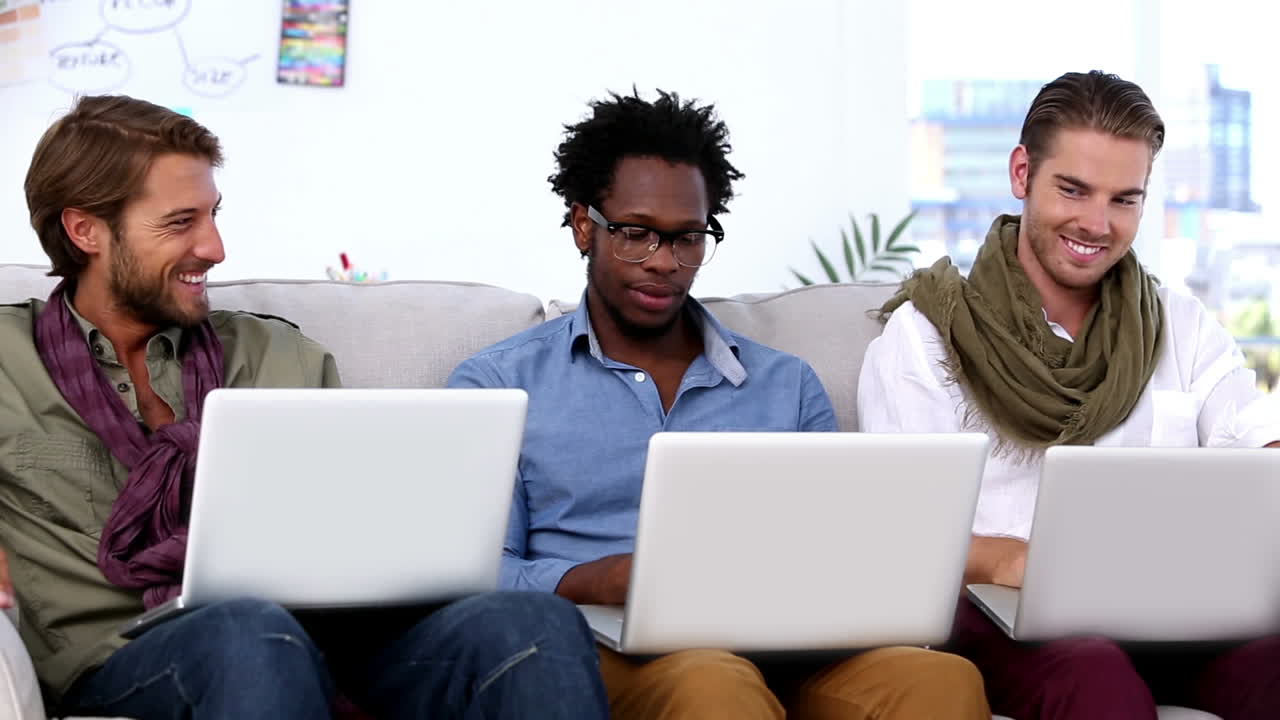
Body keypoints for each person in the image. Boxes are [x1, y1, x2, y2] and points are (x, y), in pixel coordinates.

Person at [0, 94, 608, 720]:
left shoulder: (279, 358)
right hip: (123, 658)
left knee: (534, 622)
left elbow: (354, 536)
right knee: (249, 634)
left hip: (326, 644)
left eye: (213, 215)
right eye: (180, 222)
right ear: (86, 231)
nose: (215, 247)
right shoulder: (6, 360)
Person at [448, 88, 990, 720]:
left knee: (939, 681)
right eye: (635, 234)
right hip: (604, 642)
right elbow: (473, 572)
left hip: (785, 643)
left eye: (687, 239)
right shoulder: (499, 384)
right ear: (583, 225)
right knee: (712, 683)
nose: (665, 262)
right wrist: (601, 578)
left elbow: (837, 552)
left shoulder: (787, 385)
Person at [858, 70, 1280, 720]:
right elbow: (899, 529)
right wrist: (1016, 560)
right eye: (1073, 190)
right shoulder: (926, 338)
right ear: (1022, 173)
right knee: (1094, 676)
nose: (1097, 223)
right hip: (1006, 620)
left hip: (1170, 611)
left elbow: (1259, 448)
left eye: (1124, 199)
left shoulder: (1180, 325)